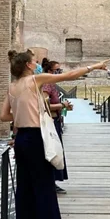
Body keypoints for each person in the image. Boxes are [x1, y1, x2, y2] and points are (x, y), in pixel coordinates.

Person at [1, 50, 110, 219]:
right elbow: (67, 76)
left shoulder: (12, 86)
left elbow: (4, 115)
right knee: (45, 190)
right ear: (29, 66)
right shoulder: (35, 79)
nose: (37, 64)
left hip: (21, 139)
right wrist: (94, 66)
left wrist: (23, 113)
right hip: (35, 139)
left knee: (24, 189)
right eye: (34, 62)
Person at [41, 58, 72, 193]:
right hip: (51, 123)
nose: (59, 73)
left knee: (56, 150)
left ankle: (51, 182)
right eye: (57, 70)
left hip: (55, 121)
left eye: (60, 70)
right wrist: (62, 105)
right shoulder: (47, 85)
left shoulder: (51, 84)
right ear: (49, 71)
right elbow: (43, 105)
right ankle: (49, 183)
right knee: (52, 151)